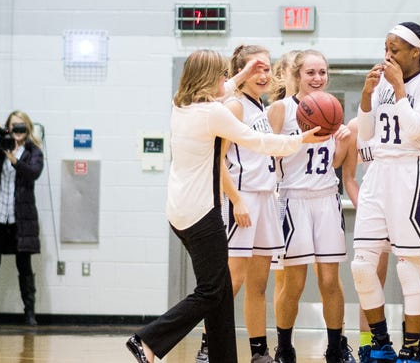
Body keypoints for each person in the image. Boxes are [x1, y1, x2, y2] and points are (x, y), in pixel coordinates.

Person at [125, 49, 326, 363]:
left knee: (218, 294)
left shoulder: (181, 105)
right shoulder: (213, 113)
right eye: (220, 74)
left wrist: (243, 73)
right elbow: (259, 142)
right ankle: (148, 339)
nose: (225, 79)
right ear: (208, 79)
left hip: (179, 210)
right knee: (211, 291)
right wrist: (300, 141)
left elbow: (224, 90)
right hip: (202, 213)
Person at [352, 21, 420, 362]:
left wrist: (399, 89)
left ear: (415, 51)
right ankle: (380, 342)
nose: (388, 55)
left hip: (413, 171)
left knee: (408, 266)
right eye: (386, 48)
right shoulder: (381, 85)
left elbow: (416, 132)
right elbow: (365, 135)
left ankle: (411, 347)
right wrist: (366, 97)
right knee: (361, 264)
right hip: (379, 173)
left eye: (395, 49)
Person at [268, 50, 356, 363]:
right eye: (310, 73)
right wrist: (296, 141)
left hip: (326, 200)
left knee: (331, 281)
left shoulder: (332, 108)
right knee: (294, 282)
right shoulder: (280, 109)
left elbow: (330, 163)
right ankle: (284, 346)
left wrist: (344, 142)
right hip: (293, 199)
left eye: (322, 72)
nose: (317, 78)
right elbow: (266, 153)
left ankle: (336, 346)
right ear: (297, 74)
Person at [221, 45, 286, 363]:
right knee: (232, 281)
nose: (264, 74)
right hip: (242, 200)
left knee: (259, 283)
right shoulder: (233, 106)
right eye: (256, 68)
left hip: (265, 198)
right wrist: (235, 201)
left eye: (267, 68)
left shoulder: (260, 108)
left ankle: (259, 352)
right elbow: (216, 163)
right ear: (240, 73)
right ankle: (209, 346)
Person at [0, 111, 45, 326]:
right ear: (7, 128)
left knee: (24, 266)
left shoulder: (33, 152)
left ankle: (29, 314)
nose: (18, 131)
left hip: (19, 219)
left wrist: (14, 159)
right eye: (13, 126)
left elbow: (33, 173)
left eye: (22, 126)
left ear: (29, 128)